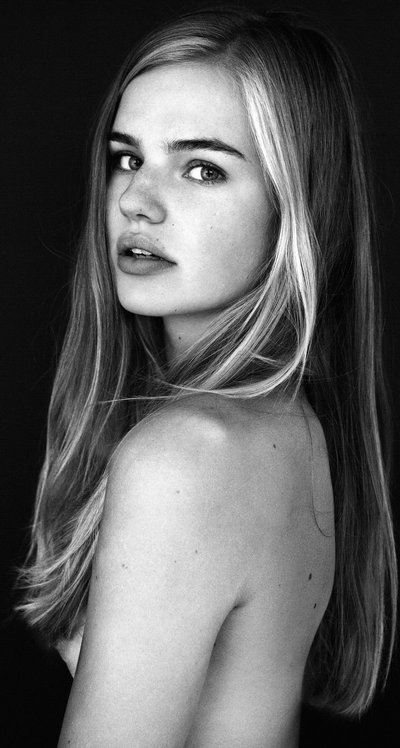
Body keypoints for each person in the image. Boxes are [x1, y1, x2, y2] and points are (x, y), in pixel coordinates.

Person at [15, 4, 397, 747]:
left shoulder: (189, 454)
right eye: (127, 159)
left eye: (202, 168)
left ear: (297, 208)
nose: (136, 201)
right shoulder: (288, 426)